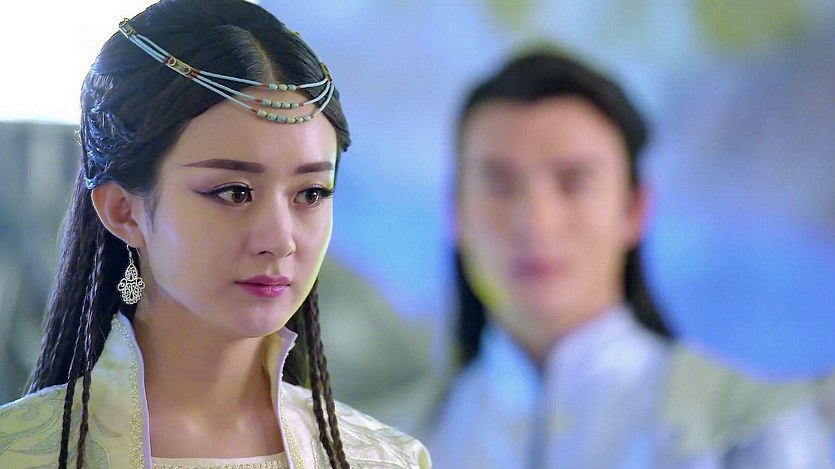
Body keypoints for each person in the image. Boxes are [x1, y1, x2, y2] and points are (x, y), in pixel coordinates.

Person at [0, 1, 430, 468]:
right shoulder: (19, 454)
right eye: (234, 192)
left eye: (311, 193)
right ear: (124, 211)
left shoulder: (386, 459)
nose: (280, 240)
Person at [426, 48, 831, 468]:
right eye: (500, 184)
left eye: (573, 182)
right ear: (457, 214)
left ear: (634, 209)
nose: (536, 223)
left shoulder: (748, 429)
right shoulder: (406, 439)